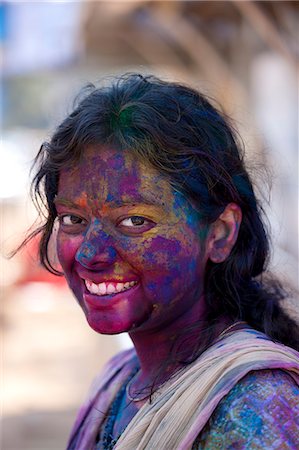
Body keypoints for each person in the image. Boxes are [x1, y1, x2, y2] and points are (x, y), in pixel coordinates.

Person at [24, 74, 299, 449]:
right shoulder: (120, 380)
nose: (91, 254)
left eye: (135, 221)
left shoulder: (254, 409)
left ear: (219, 234)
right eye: (74, 219)